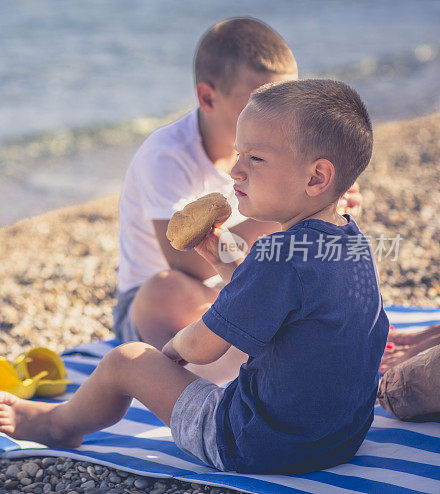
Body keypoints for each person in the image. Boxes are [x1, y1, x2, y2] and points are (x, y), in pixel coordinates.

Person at [0, 79, 388, 474]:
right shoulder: (352, 244)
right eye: (237, 154)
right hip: (337, 441)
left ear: (316, 177)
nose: (235, 171)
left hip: (254, 443)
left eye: (255, 159)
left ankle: (58, 425)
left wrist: (169, 353)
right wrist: (224, 263)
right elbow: (276, 301)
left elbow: (203, 348)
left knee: (126, 361)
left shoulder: (276, 255)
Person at [114, 18, 363, 384]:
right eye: (258, 103)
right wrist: (283, 214)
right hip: (166, 303)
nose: (279, 118)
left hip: (239, 288)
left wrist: (325, 212)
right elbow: (183, 261)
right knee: (163, 290)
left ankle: (268, 358)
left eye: (286, 101)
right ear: (207, 98)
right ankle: (238, 371)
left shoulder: (280, 153)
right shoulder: (167, 156)